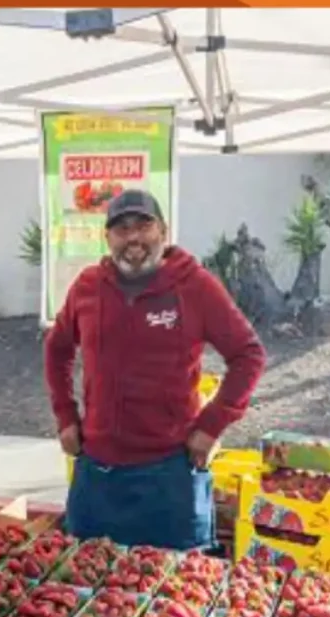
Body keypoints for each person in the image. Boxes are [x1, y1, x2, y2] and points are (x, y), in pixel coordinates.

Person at [44, 189, 267, 551]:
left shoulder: (195, 286)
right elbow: (57, 348)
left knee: (177, 594)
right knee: (86, 586)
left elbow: (248, 354)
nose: (133, 238)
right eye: (121, 229)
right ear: (107, 238)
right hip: (98, 470)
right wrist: (65, 415)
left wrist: (211, 425)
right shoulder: (87, 287)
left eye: (143, 226)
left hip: (171, 471)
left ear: (163, 231)